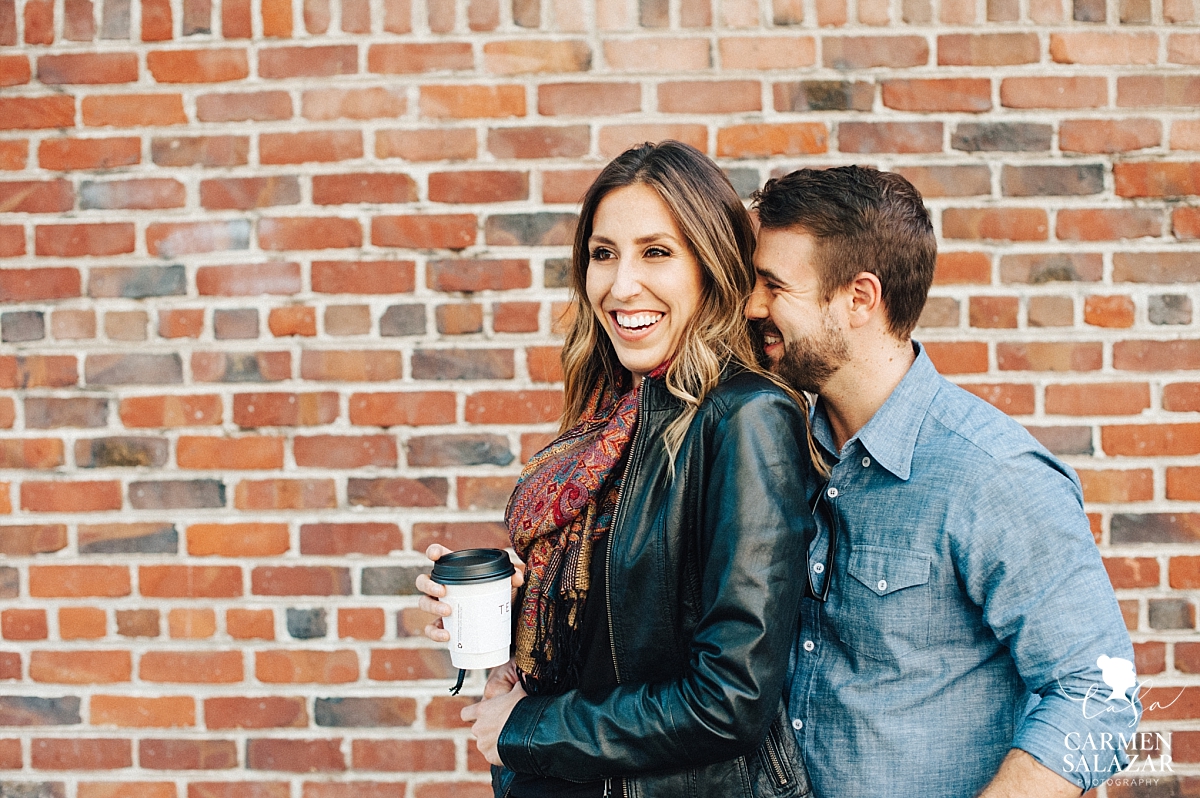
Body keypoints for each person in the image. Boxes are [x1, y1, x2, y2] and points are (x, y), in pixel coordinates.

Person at [417, 141, 817, 798]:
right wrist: (516, 609)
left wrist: (528, 728)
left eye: (656, 252)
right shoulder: (616, 413)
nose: (620, 284)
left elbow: (730, 701)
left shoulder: (746, 417)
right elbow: (626, 631)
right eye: (603, 254)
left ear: (710, 267)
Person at [744, 165, 1141, 798]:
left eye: (773, 285)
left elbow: (1101, 695)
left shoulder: (991, 474)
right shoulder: (779, 454)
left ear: (859, 298)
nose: (751, 306)